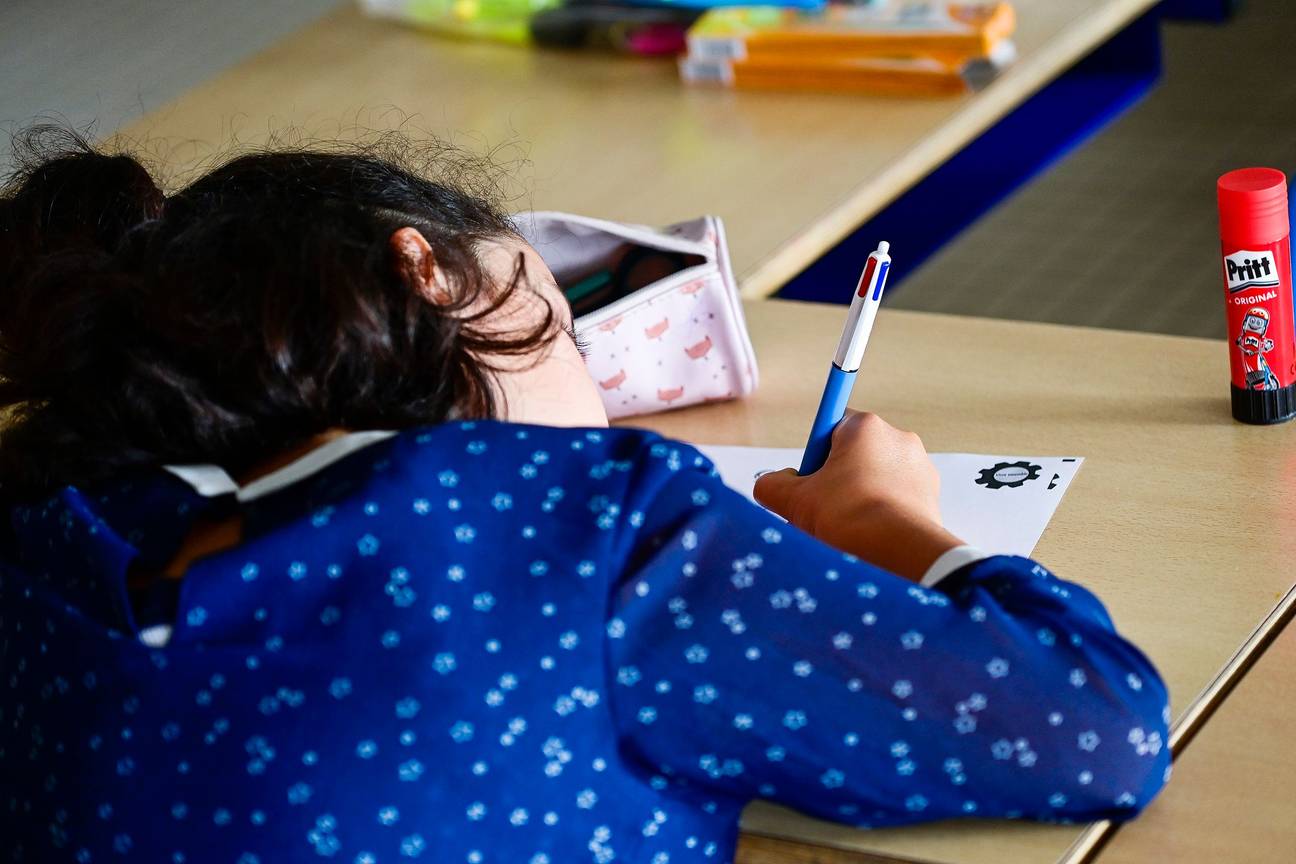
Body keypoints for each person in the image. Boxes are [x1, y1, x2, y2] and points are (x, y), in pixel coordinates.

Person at [0, 128, 1169, 864]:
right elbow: (1096, 729)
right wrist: (883, 524)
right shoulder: (581, 523)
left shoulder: (48, 531)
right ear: (425, 272)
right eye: (561, 328)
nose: (601, 396)